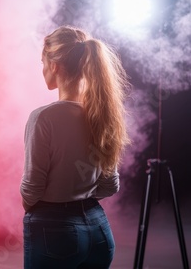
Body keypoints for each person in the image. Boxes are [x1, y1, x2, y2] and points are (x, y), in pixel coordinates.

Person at [20, 26, 130, 268]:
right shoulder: (104, 114)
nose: (42, 69)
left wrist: (42, 213)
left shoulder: (43, 118)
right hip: (98, 230)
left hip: (54, 230)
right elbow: (110, 185)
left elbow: (32, 187)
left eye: (42, 62)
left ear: (55, 66)